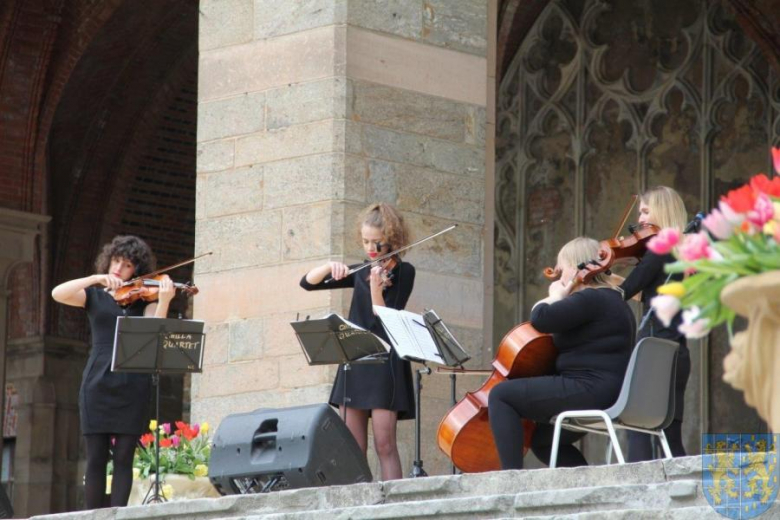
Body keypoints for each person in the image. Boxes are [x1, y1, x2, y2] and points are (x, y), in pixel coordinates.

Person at [488, 237, 636, 469]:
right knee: (543, 441)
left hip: (589, 389)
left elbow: (541, 318)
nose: (560, 276)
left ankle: (510, 480)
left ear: (578, 266)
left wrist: (555, 295)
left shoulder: (590, 298)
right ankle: (585, 488)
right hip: (609, 392)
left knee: (501, 395)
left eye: (563, 268)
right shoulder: (615, 300)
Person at [52, 236, 174, 509]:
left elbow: (156, 333)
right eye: (116, 261)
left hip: (132, 382)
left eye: (127, 264)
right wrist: (95, 278)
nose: (119, 268)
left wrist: (165, 299)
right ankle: (93, 515)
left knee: (123, 457)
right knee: (95, 457)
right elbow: (58, 293)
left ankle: (119, 516)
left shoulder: (143, 300)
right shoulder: (93, 296)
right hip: (97, 381)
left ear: (136, 271)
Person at [300, 203, 415, 480]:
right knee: (353, 448)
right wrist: (331, 265)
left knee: (385, 444)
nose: (371, 249)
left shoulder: (404, 271)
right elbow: (307, 283)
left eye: (377, 242)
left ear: (393, 240)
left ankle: (394, 507)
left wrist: (376, 288)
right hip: (355, 361)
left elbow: (383, 318)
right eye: (365, 242)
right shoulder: (362, 270)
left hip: (386, 362)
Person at [614, 186, 691, 461]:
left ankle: (636, 493)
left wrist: (594, 279)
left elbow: (625, 291)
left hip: (654, 349)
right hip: (677, 352)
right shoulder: (683, 254)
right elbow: (649, 290)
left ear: (662, 211)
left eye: (646, 210)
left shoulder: (660, 250)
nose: (641, 218)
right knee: (670, 436)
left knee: (637, 425)